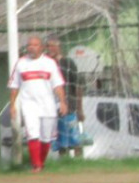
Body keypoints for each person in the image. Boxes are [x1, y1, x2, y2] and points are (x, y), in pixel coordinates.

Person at [9, 35, 67, 172]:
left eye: (35, 45)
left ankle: (41, 162)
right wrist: (12, 105)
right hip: (29, 104)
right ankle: (37, 165)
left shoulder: (49, 63)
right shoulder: (21, 63)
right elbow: (14, 86)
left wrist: (63, 102)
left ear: (41, 47)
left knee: (46, 137)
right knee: (32, 133)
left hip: (47, 104)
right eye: (29, 45)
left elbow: (58, 85)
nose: (31, 48)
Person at [46, 38, 85, 159]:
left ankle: (79, 161)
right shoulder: (45, 64)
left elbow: (77, 85)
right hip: (51, 106)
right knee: (60, 139)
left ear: (59, 47)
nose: (50, 49)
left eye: (53, 46)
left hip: (68, 105)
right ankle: (63, 161)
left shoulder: (68, 63)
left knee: (74, 137)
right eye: (48, 46)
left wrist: (79, 108)